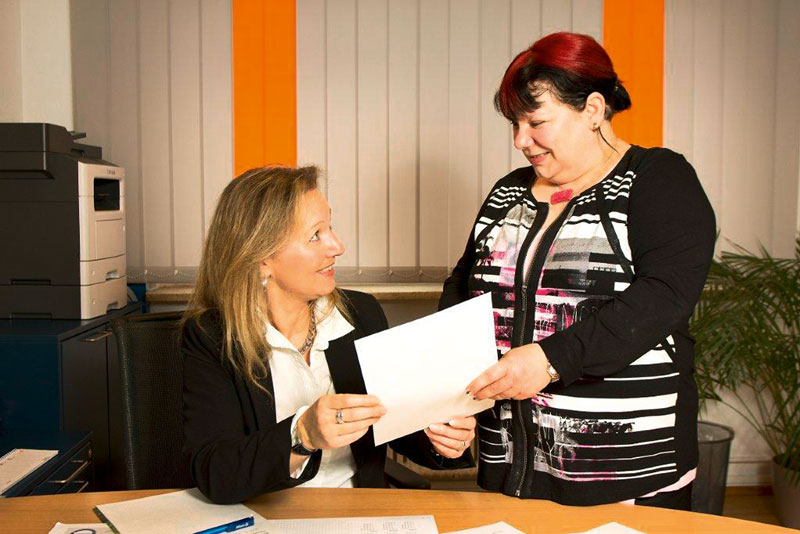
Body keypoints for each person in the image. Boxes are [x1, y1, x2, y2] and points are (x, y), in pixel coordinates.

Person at [440, 32, 715, 509]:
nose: (520, 141)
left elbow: (662, 297)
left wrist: (549, 361)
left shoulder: (656, 179)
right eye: (513, 124)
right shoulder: (507, 193)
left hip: (624, 468)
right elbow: (462, 291)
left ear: (591, 109)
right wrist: (449, 400)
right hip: (510, 463)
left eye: (536, 122)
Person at [182, 166, 475, 504]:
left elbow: (392, 423)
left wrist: (438, 437)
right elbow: (214, 472)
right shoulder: (212, 336)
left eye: (330, 228)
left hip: (359, 516)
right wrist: (302, 434)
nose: (338, 246)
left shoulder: (360, 313)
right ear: (262, 260)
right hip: (264, 518)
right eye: (315, 235)